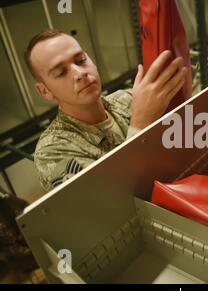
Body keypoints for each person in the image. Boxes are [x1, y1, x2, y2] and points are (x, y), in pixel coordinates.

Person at [25, 28, 187, 191]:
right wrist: (140, 125)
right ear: (44, 91)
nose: (80, 73)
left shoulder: (128, 99)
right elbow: (111, 203)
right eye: (61, 72)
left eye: (81, 60)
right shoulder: (52, 151)